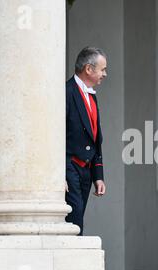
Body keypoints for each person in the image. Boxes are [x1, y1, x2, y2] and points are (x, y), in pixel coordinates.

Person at [66, 47, 107, 235]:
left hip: (86, 171)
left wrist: (98, 174)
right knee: (74, 224)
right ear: (89, 69)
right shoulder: (67, 92)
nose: (104, 74)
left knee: (79, 219)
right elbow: (58, 135)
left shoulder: (91, 95)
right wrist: (61, 174)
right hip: (70, 168)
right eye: (102, 69)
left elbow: (96, 137)